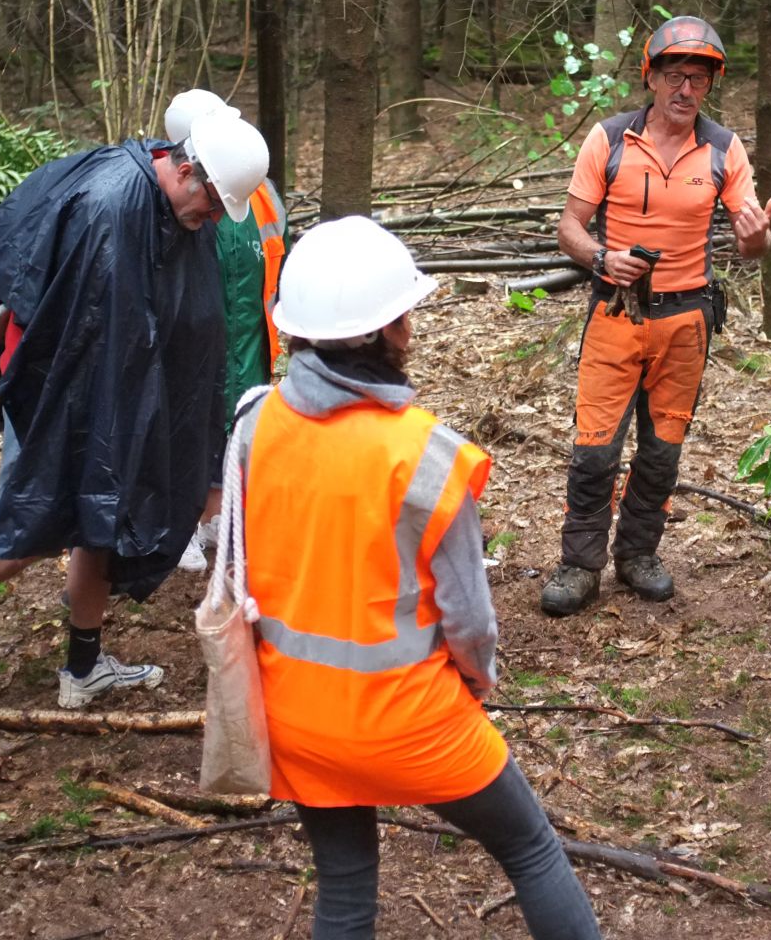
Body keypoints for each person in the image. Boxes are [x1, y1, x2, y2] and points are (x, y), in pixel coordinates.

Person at [232, 216, 602, 940]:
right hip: (414, 723)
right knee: (529, 848)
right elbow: (470, 624)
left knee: (343, 889)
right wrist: (476, 685)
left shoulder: (251, 426)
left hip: (296, 718)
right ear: (389, 330)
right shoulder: (427, 458)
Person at [0, 115, 267, 708]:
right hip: (73, 389)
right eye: (210, 205)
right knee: (55, 508)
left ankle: (83, 666)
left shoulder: (184, 214)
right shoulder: (108, 204)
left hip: (134, 389)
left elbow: (194, 321)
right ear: (184, 170)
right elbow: (69, 315)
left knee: (106, 520)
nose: (212, 220)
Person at [542, 14, 771, 616]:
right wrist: (601, 256)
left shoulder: (724, 148)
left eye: (699, 79)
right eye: (675, 75)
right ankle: (579, 564)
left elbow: (753, 246)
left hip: (688, 319)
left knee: (662, 448)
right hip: (617, 313)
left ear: (710, 85)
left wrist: (756, 236)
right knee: (595, 447)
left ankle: (639, 553)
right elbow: (569, 226)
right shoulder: (611, 139)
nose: (686, 90)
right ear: (651, 77)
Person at [162, 90, 287, 576]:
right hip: (195, 338)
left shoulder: (256, 187)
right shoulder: (179, 198)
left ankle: (216, 516)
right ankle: (180, 525)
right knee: (186, 429)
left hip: (251, 337)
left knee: (234, 427)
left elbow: (280, 252)